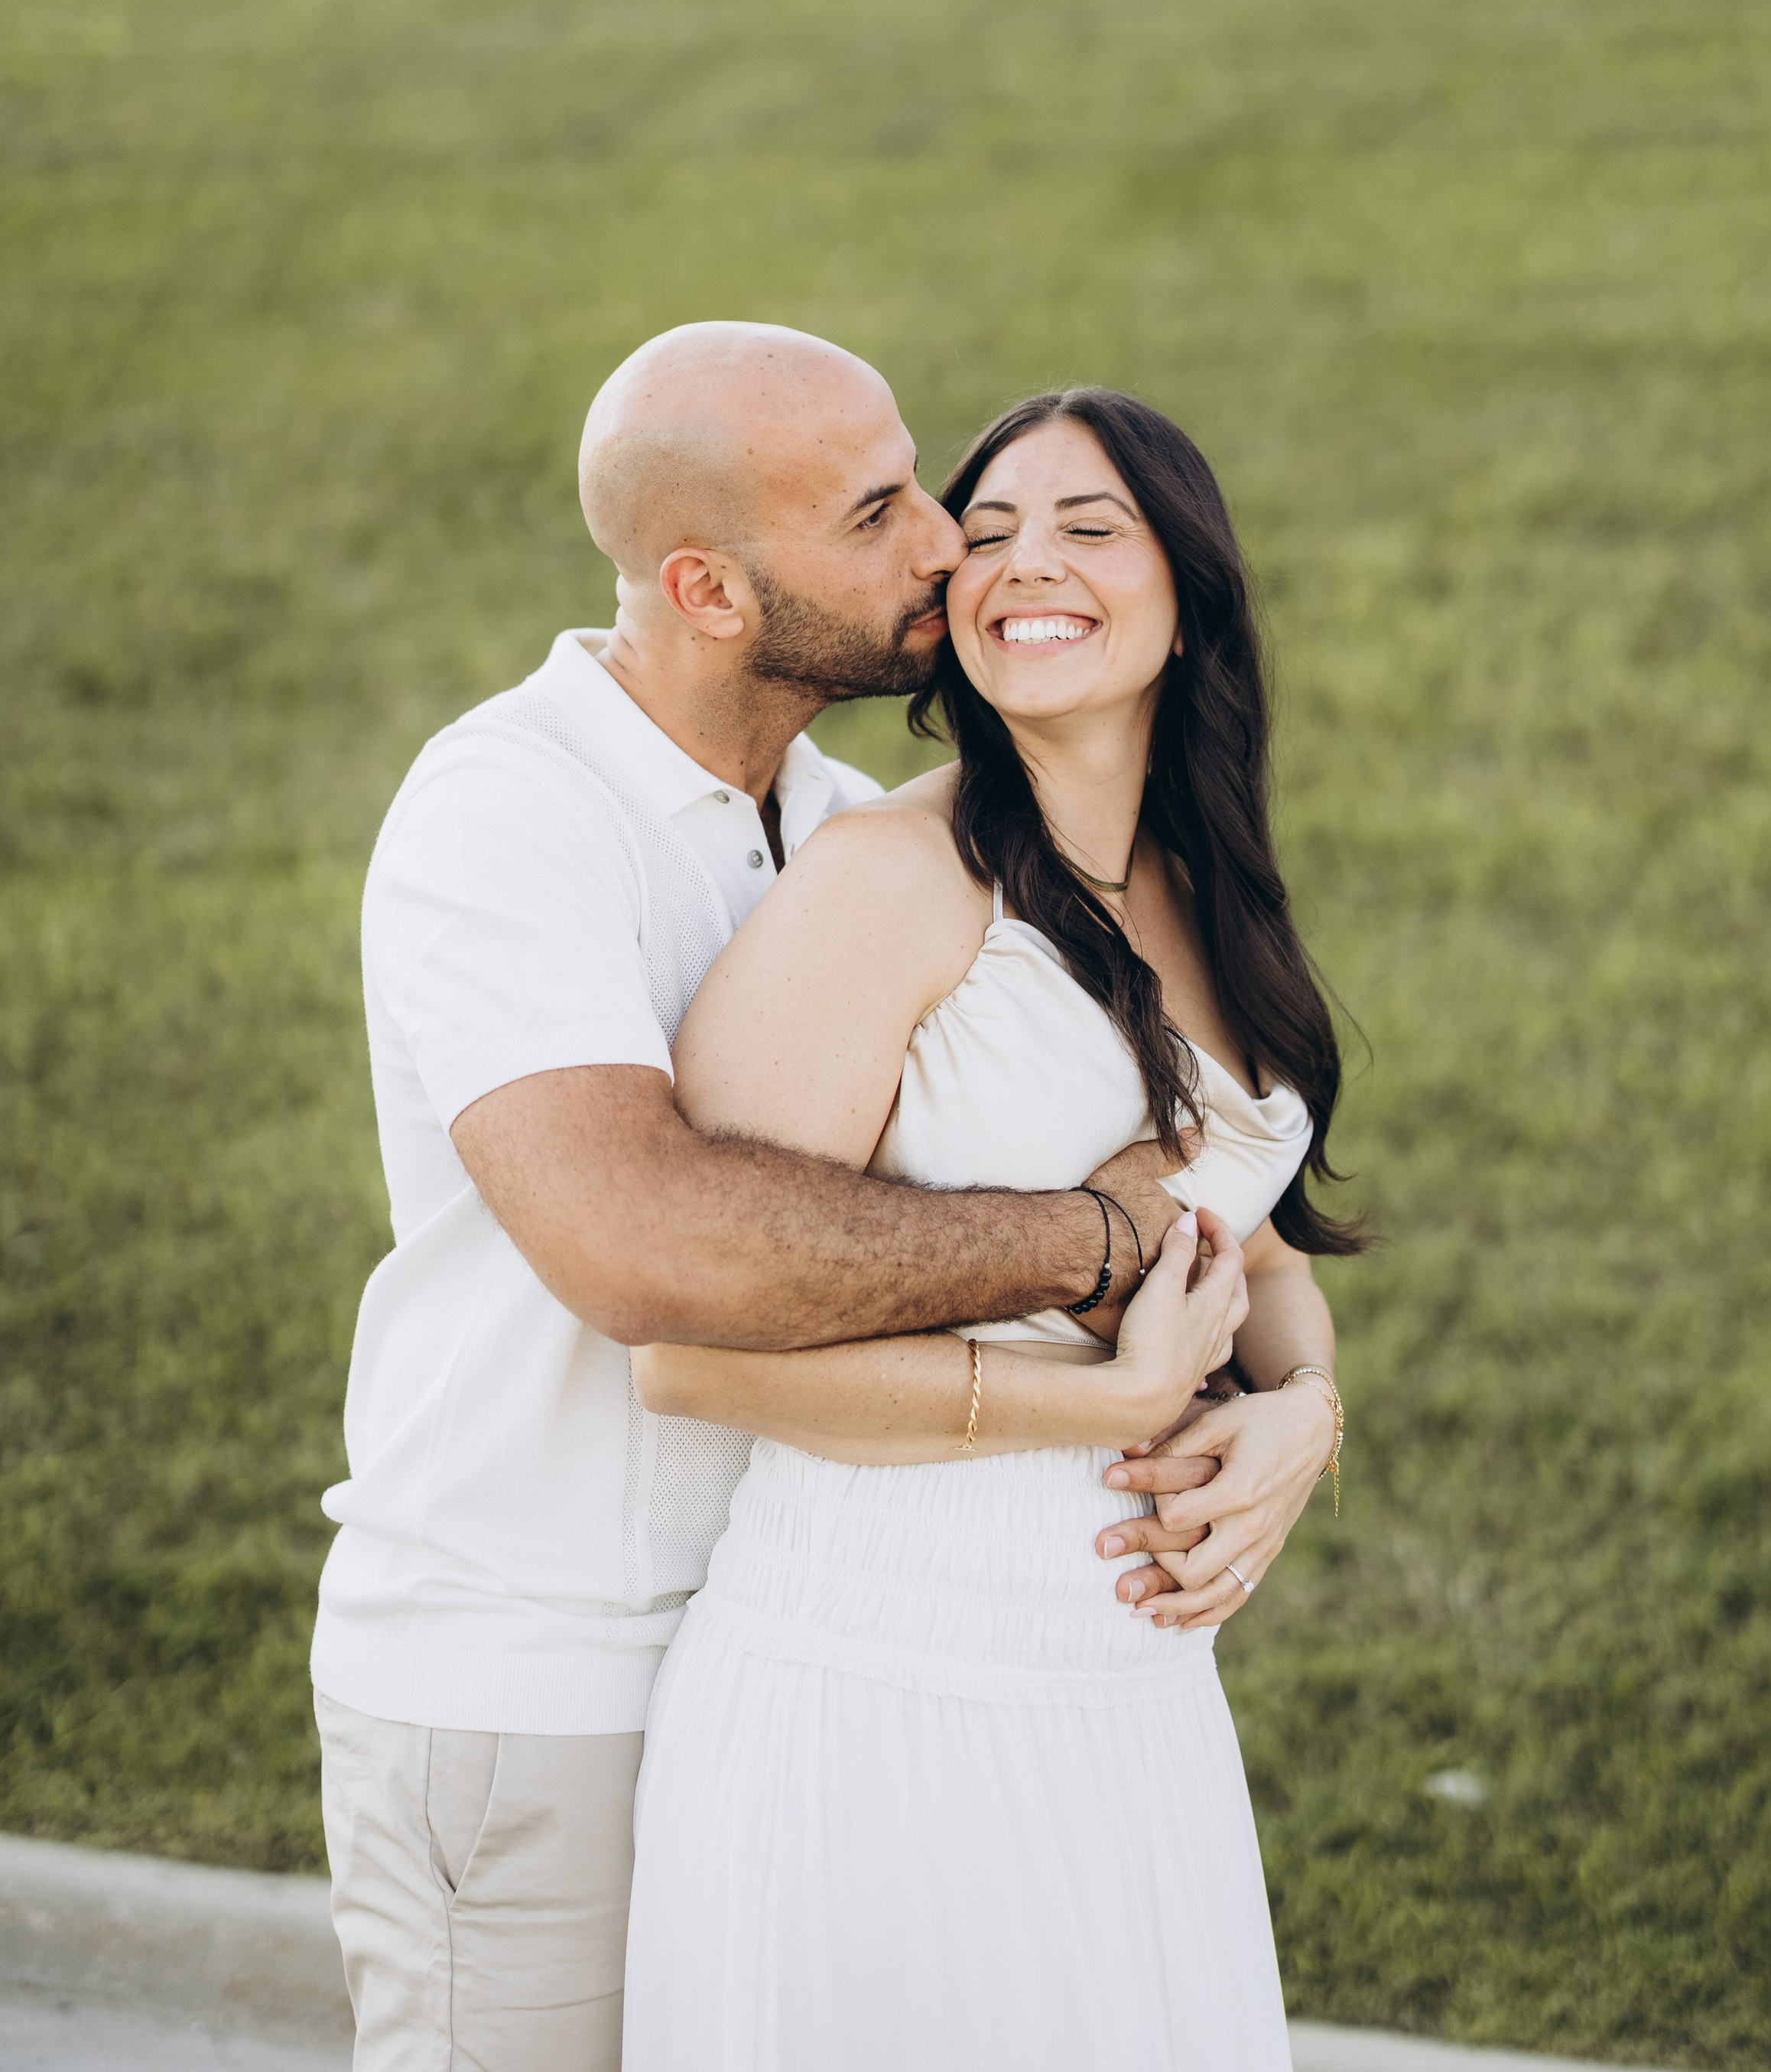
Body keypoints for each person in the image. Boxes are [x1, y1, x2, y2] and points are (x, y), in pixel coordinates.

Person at [311, 325, 1201, 2072]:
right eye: (878, 513)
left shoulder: (846, 821)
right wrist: (1085, 1248)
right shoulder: (509, 816)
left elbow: (1174, 1128)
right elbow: (645, 1249)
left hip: (788, 1664)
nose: (950, 543)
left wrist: (1290, 1402)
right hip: (534, 1675)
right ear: (710, 590)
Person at [621, 385, 1360, 2072]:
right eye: (993, 529)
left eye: (1090, 528)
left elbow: (1246, 1236)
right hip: (875, 1683)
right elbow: (685, 1349)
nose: (1028, 561)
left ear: (1190, 600)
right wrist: (1091, 1407)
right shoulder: (888, 883)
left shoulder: (1207, 880)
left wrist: (1303, 1415)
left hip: (1129, 1697)